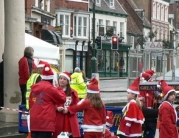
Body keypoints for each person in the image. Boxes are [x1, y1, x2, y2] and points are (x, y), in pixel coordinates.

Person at [29, 63, 66, 138]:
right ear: (52, 79)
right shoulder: (50, 88)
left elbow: (30, 103)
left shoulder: (34, 87)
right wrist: (59, 88)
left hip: (34, 122)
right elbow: (62, 99)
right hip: (45, 124)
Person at [53, 71, 80, 138]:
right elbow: (50, 104)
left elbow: (77, 106)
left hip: (69, 119)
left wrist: (68, 109)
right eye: (61, 78)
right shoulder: (53, 91)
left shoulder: (73, 92)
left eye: (64, 79)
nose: (62, 80)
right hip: (58, 118)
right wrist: (56, 108)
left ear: (68, 82)